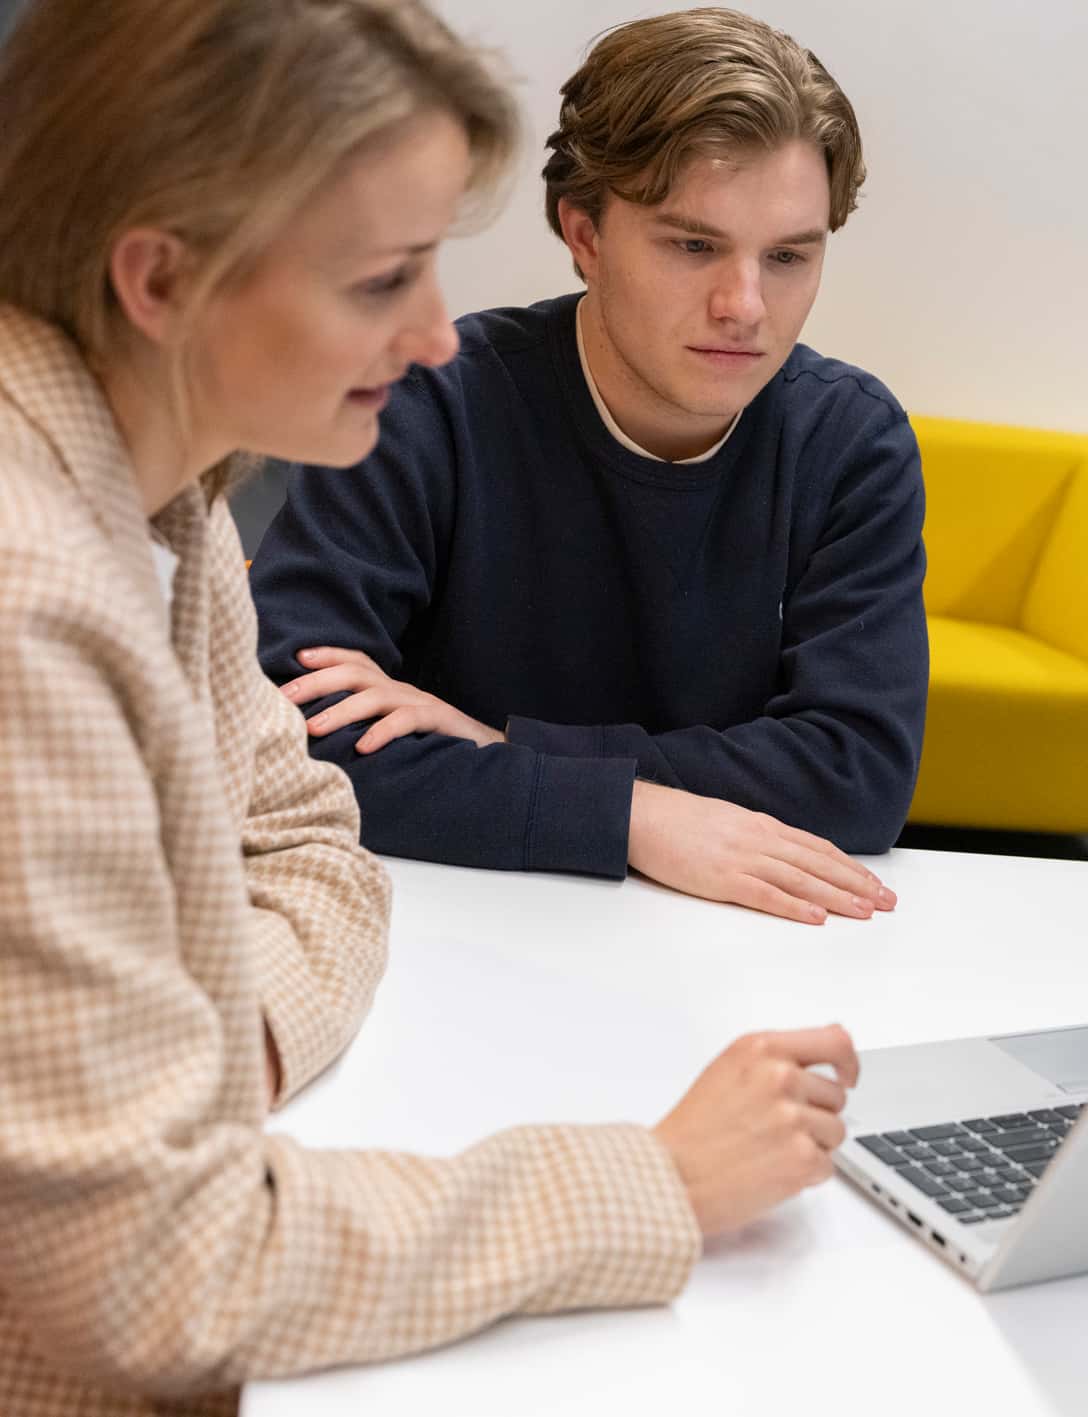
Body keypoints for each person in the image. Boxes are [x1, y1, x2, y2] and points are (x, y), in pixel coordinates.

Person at [0, 4, 860, 1411]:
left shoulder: (173, 494)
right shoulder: (29, 604)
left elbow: (313, 840)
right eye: (381, 278)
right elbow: (159, 1279)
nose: (432, 337)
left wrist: (201, 1059)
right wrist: (648, 1179)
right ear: (159, 279)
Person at [248, 7, 927, 927]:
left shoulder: (851, 442)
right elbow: (289, 741)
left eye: (788, 257)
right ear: (586, 235)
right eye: (693, 245)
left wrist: (505, 749)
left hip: (719, 946)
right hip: (443, 929)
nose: (745, 305)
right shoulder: (420, 406)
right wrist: (631, 814)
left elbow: (857, 776)